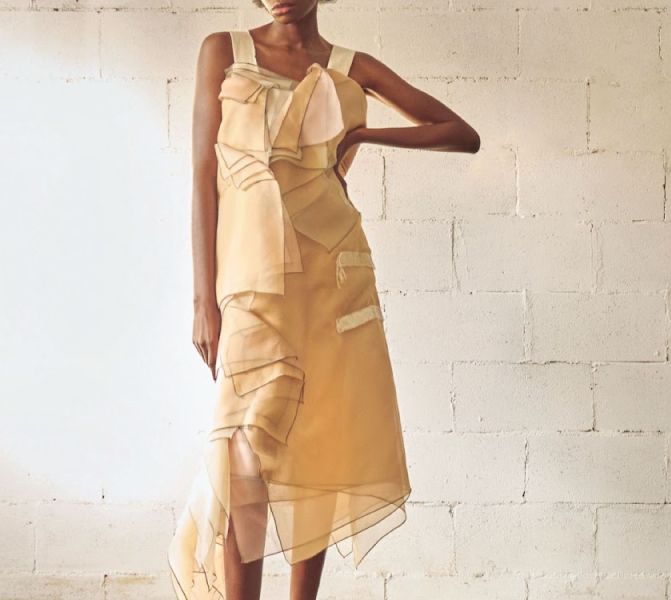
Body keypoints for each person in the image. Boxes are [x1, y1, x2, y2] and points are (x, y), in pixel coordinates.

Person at [168, 1, 480, 599]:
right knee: (243, 459)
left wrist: (362, 133)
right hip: (251, 285)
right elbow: (203, 177)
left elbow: (461, 135)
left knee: (316, 443)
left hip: (333, 277)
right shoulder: (223, 51)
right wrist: (202, 301)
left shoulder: (350, 65)